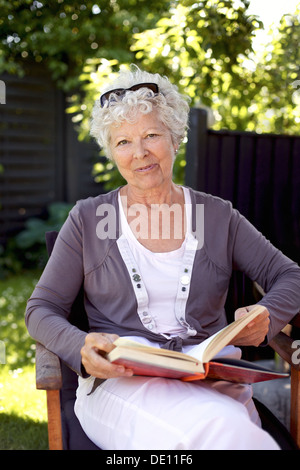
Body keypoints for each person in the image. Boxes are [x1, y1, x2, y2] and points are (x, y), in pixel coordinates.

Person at [26, 65, 300, 450]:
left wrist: (268, 314)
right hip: (122, 386)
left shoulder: (216, 216)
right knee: (221, 434)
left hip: (213, 382)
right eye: (123, 142)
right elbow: (40, 309)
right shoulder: (90, 220)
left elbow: (290, 275)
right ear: (111, 152)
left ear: (175, 138)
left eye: (151, 135)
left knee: (224, 428)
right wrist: (81, 348)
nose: (139, 153)